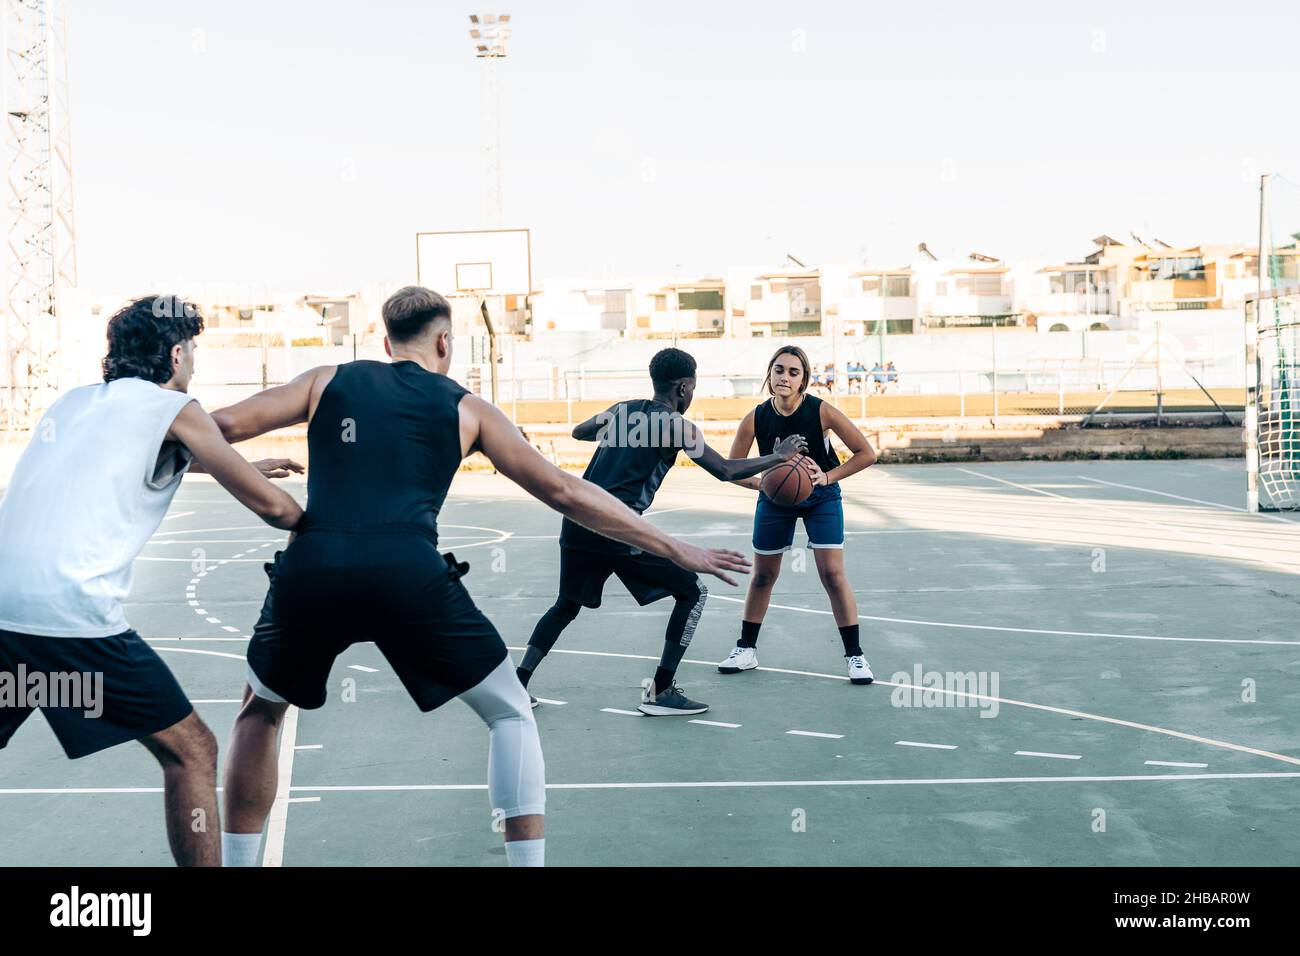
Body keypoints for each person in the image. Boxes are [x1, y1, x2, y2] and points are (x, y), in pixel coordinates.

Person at [208, 288, 750, 867]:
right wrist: (675, 548)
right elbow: (565, 491)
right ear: (445, 341)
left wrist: (247, 472)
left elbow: (212, 427)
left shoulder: (323, 381)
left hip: (312, 566)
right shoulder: (468, 409)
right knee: (509, 711)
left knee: (259, 713)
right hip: (407, 573)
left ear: (385, 341)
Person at [0, 295, 304, 866]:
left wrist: (230, 463)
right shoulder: (176, 408)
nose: (194, 364)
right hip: (71, 616)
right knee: (191, 751)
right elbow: (274, 510)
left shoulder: (71, 405)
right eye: (192, 351)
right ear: (175, 353)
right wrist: (338, 529)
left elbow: (115, 457)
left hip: (4, 611)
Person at [516, 348, 808, 716]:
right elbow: (725, 469)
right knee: (693, 593)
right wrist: (778, 457)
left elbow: (579, 431)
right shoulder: (677, 426)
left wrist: (617, 433)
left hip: (577, 520)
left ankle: (517, 684)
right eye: (694, 388)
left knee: (566, 606)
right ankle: (661, 689)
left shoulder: (622, 411)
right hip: (617, 528)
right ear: (684, 387)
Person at [716, 344, 879, 684]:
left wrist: (827, 477)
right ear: (769, 375)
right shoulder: (756, 417)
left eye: (793, 372)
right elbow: (732, 469)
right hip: (776, 498)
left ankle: (855, 656)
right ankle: (746, 649)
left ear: (804, 379)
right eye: (779, 370)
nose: (785, 377)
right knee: (763, 576)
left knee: (832, 574)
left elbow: (866, 453)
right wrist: (763, 485)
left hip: (821, 496)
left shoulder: (821, 412)